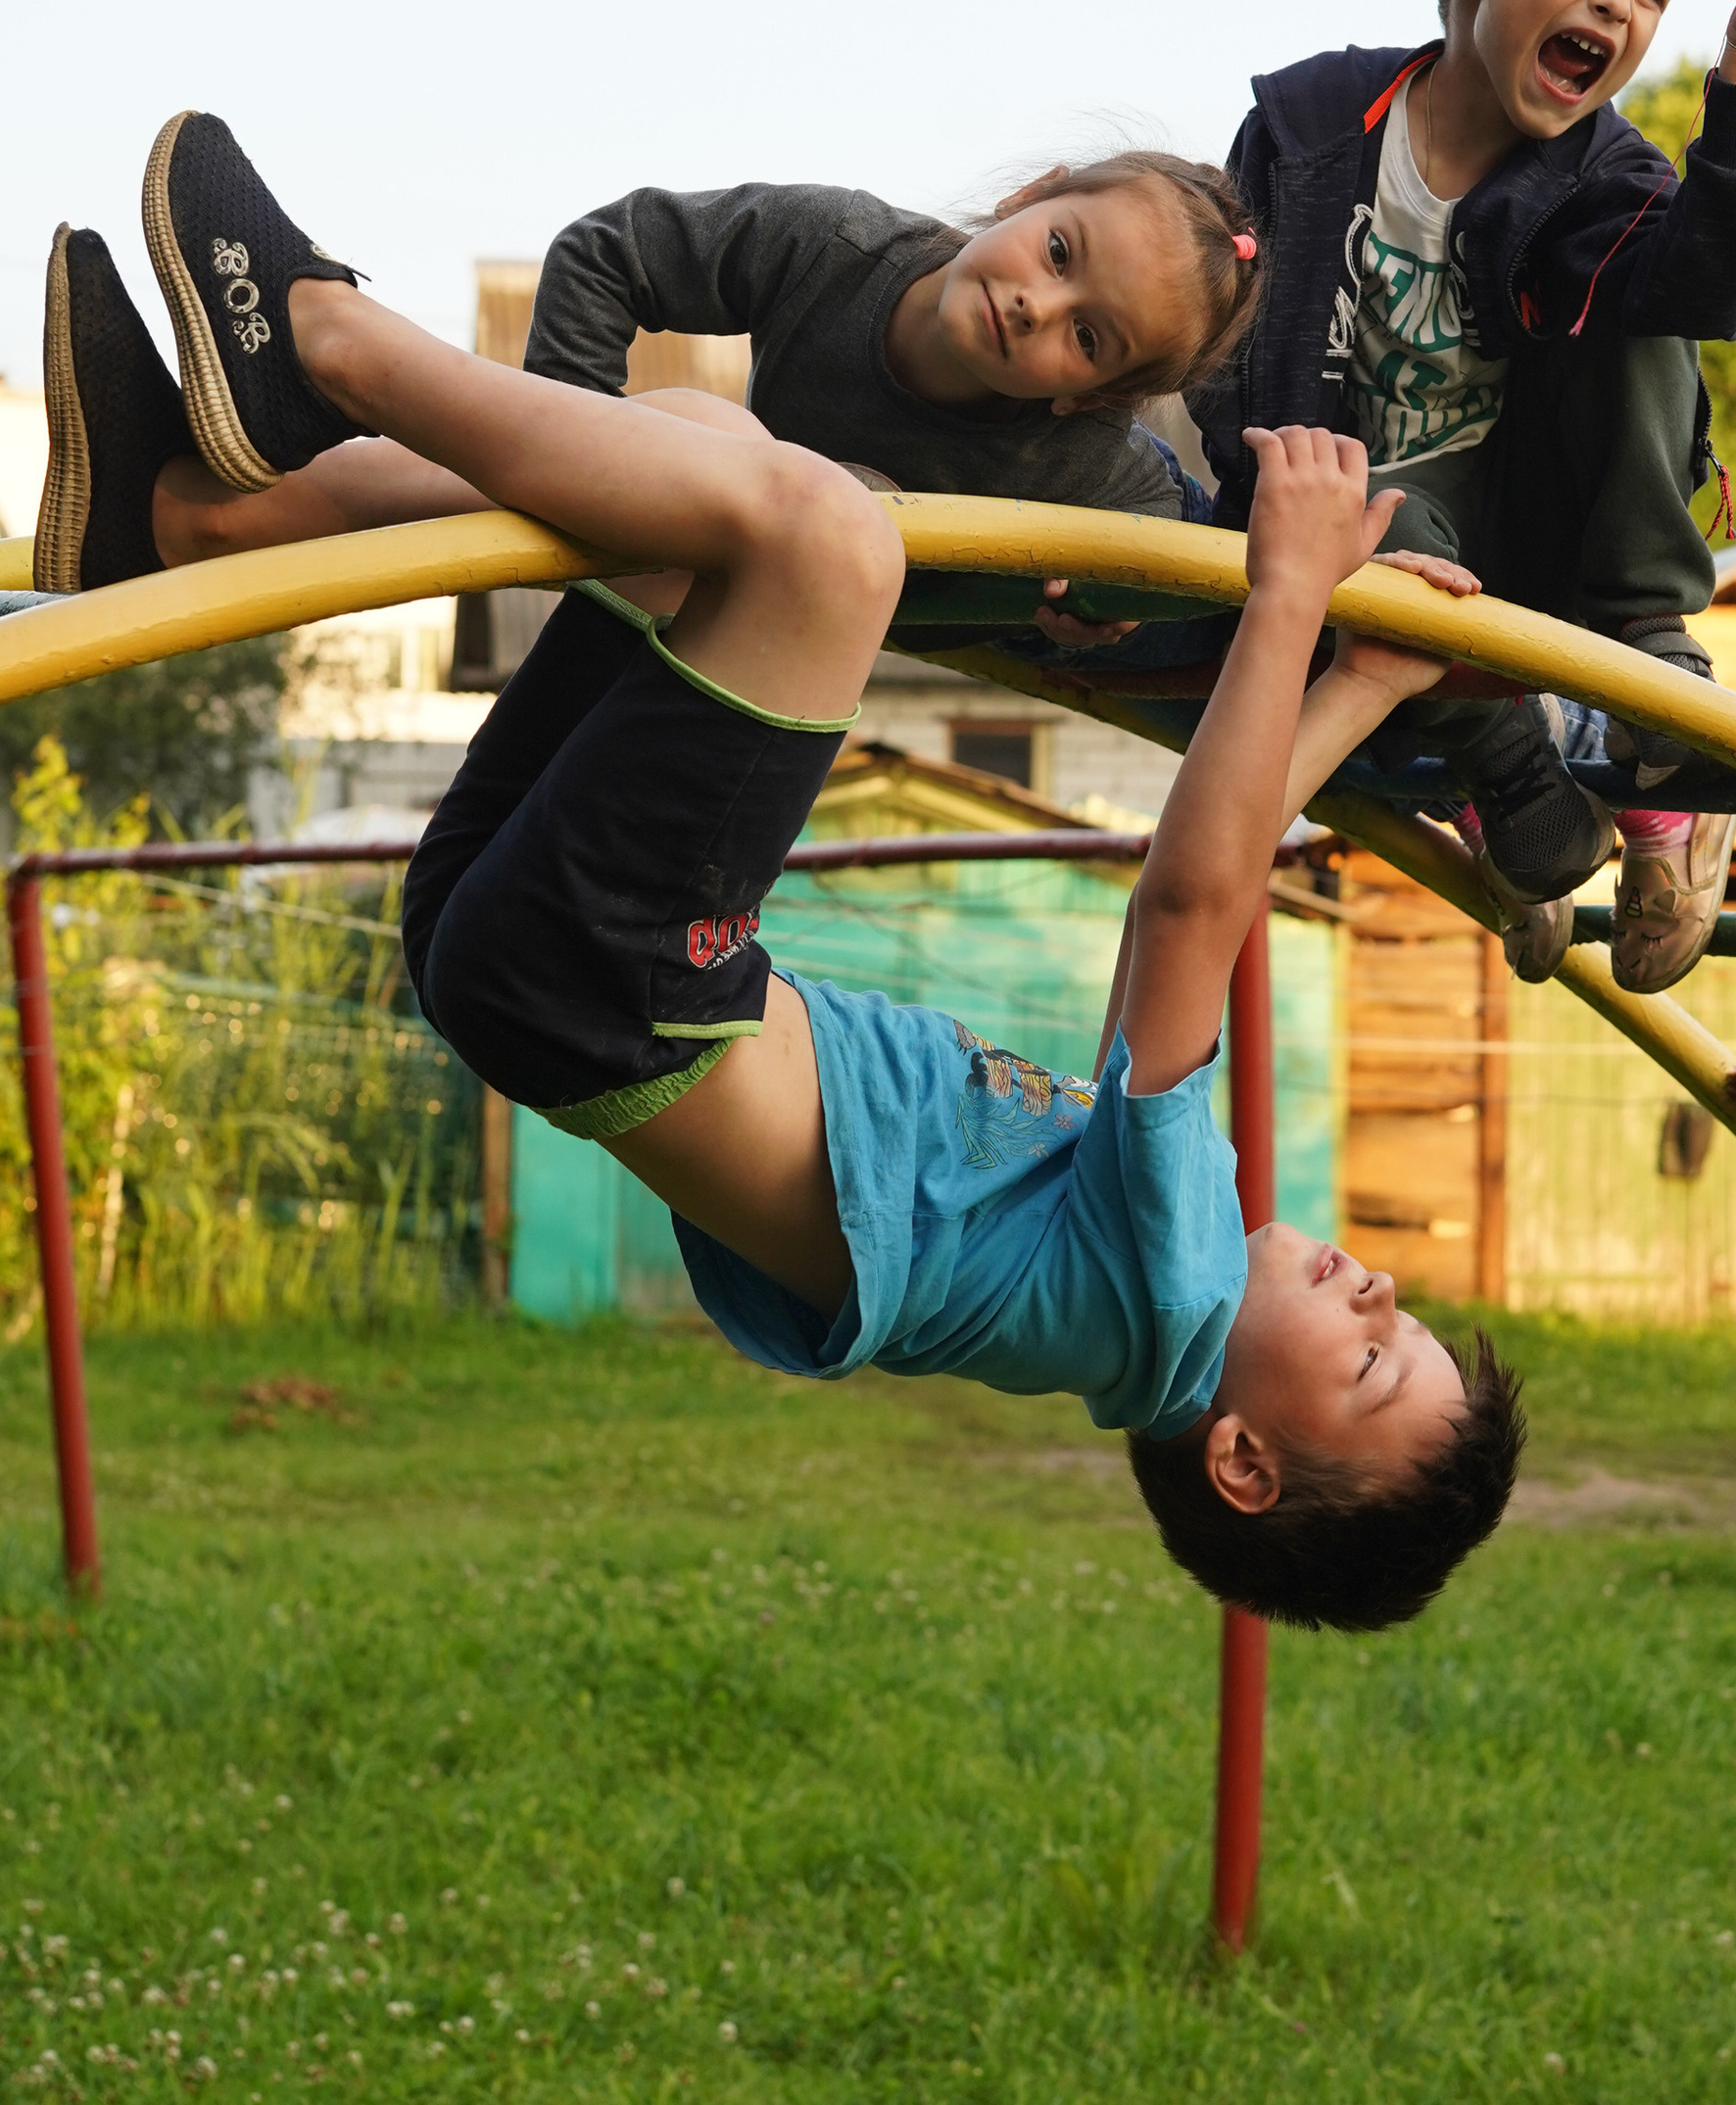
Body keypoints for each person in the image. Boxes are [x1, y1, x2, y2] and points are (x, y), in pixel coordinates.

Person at [60, 111, 1524, 1633]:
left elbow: (1192, 899)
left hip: (620, 991)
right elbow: (1200, 880)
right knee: (712, 465)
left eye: (1368, 1363)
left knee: (834, 539)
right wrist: (1359, 692)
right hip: (549, 974)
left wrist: (1289, 597)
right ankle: (193, 518)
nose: (1373, 1290)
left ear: (1240, 1459)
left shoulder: (1170, 1300)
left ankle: (324, 338)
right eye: (1401, 1319)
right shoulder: (1128, 1290)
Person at [1188, 0, 1736, 991]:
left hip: (1547, 537)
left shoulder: (1602, 177)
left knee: (1648, 284)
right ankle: (1515, 787)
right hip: (1364, 531)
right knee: (1367, 534)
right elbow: (1222, 330)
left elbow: (1705, 288)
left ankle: (1654, 712)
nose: (1620, 2)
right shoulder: (1311, 132)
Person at [34, 144, 1263, 613]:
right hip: (725, 532)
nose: (1037, 305)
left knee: (743, 458)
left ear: (1085, 397)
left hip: (789, 605)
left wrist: (1101, 595)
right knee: (681, 437)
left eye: (1087, 339)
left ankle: (327, 350)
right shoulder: (835, 246)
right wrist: (571, 439)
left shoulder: (1100, 479)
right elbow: (608, 255)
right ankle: (182, 516)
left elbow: (1222, 567)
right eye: (1056, 253)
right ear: (1026, 197)